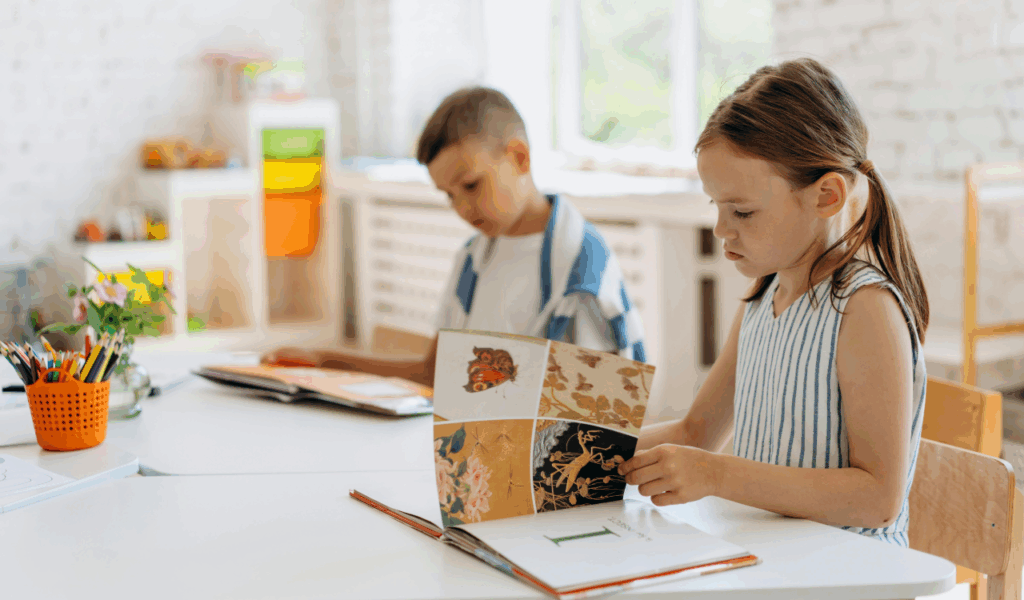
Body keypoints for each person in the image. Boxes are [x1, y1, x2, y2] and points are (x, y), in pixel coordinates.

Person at [619, 58, 929, 547]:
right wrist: (582, 455)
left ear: (827, 195)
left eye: (742, 210)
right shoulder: (763, 297)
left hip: (854, 577)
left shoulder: (864, 309)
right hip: (771, 562)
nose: (721, 230)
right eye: (716, 207)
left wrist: (717, 475)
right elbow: (697, 430)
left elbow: (878, 496)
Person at [262, 87, 646, 386]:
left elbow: (598, 408)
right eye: (448, 196)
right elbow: (436, 374)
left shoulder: (581, 273)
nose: (462, 208)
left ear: (519, 157)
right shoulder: (472, 259)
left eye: (471, 185)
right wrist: (327, 361)